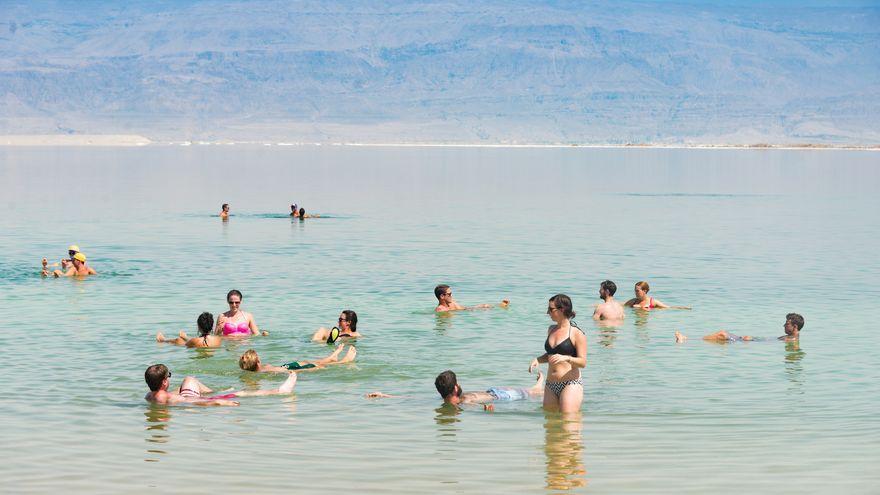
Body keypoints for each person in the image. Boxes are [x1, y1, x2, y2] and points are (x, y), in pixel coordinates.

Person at [529, 294, 587, 413]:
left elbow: (583, 362)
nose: (547, 312)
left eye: (551, 309)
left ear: (562, 309)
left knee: (568, 424)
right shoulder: (551, 329)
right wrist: (538, 360)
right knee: (550, 425)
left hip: (570, 383)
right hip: (551, 385)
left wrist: (566, 358)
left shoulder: (576, 333)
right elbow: (551, 355)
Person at [144, 364, 297, 406]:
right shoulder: (168, 397)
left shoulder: (149, 396)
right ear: (164, 382)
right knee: (240, 393)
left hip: (185, 396)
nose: (169, 379)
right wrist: (220, 402)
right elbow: (196, 402)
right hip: (190, 398)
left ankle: (215, 391)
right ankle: (279, 390)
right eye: (168, 376)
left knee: (189, 379)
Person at [434, 369, 544, 406]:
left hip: (493, 392)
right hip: (501, 396)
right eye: (457, 383)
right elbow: (476, 406)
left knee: (530, 391)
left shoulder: (447, 398)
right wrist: (486, 408)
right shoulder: (465, 401)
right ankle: (540, 386)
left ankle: (538, 385)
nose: (459, 384)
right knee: (531, 393)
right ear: (455, 389)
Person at [674, 313, 804, 343]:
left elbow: (769, 342)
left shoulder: (791, 340)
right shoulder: (791, 338)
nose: (783, 325)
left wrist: (752, 341)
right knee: (722, 336)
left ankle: (687, 340)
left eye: (786, 323)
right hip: (749, 340)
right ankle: (687, 339)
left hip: (748, 342)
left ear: (795, 326)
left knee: (722, 334)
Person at [238, 346, 357, 373]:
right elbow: (291, 372)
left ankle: (331, 357)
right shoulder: (266, 371)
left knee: (309, 361)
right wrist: (307, 370)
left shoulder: (260, 369)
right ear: (257, 361)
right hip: (292, 368)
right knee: (318, 366)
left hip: (290, 365)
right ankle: (343, 361)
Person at [156, 312, 223, 348]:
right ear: (212, 326)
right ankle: (185, 337)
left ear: (198, 326)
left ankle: (163, 340)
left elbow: (189, 343)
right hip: (202, 345)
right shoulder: (218, 339)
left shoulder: (195, 340)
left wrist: (181, 339)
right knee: (190, 340)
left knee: (178, 340)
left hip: (196, 346)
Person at [433, 284, 509, 312]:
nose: (451, 296)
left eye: (451, 294)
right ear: (442, 296)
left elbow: (464, 309)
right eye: (449, 294)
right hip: (465, 312)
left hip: (467, 310)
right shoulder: (440, 309)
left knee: (485, 305)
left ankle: (501, 305)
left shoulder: (452, 303)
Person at [624, 281, 690, 310]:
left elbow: (668, 308)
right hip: (636, 323)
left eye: (637, 291)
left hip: (645, 322)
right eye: (635, 290)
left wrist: (682, 308)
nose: (635, 292)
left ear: (645, 291)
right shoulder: (633, 301)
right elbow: (623, 306)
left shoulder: (652, 302)